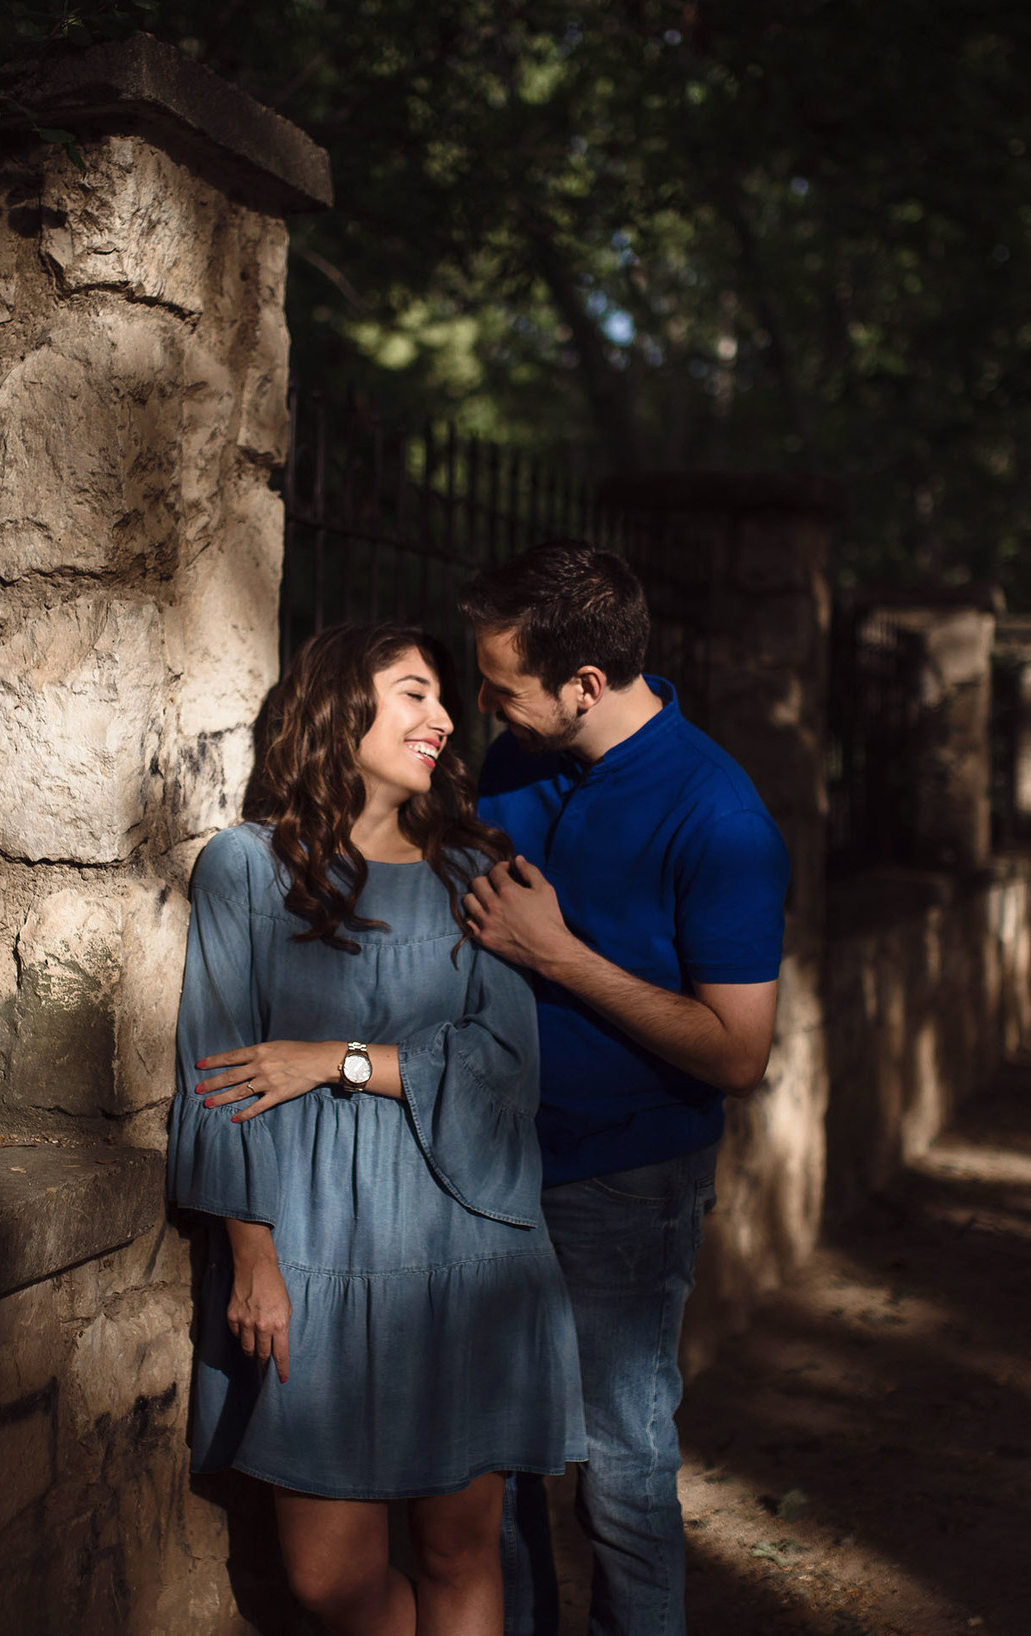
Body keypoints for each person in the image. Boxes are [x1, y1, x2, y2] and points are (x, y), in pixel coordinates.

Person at [168, 621, 587, 1636]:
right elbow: (213, 1074)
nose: (442, 718)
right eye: (412, 692)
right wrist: (253, 1259)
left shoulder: (475, 872)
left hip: (467, 1250)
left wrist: (335, 1058)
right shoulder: (246, 868)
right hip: (313, 1257)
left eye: (442, 698)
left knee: (456, 1552)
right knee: (326, 1581)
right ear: (336, 708)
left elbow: (504, 1072)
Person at [457, 542, 791, 1636]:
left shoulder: (718, 812)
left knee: (620, 1469)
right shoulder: (512, 755)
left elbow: (738, 1051)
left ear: (585, 685)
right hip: (486, 1160)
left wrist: (558, 956)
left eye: (503, 686)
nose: (483, 706)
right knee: (494, 1464)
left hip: (626, 1179)